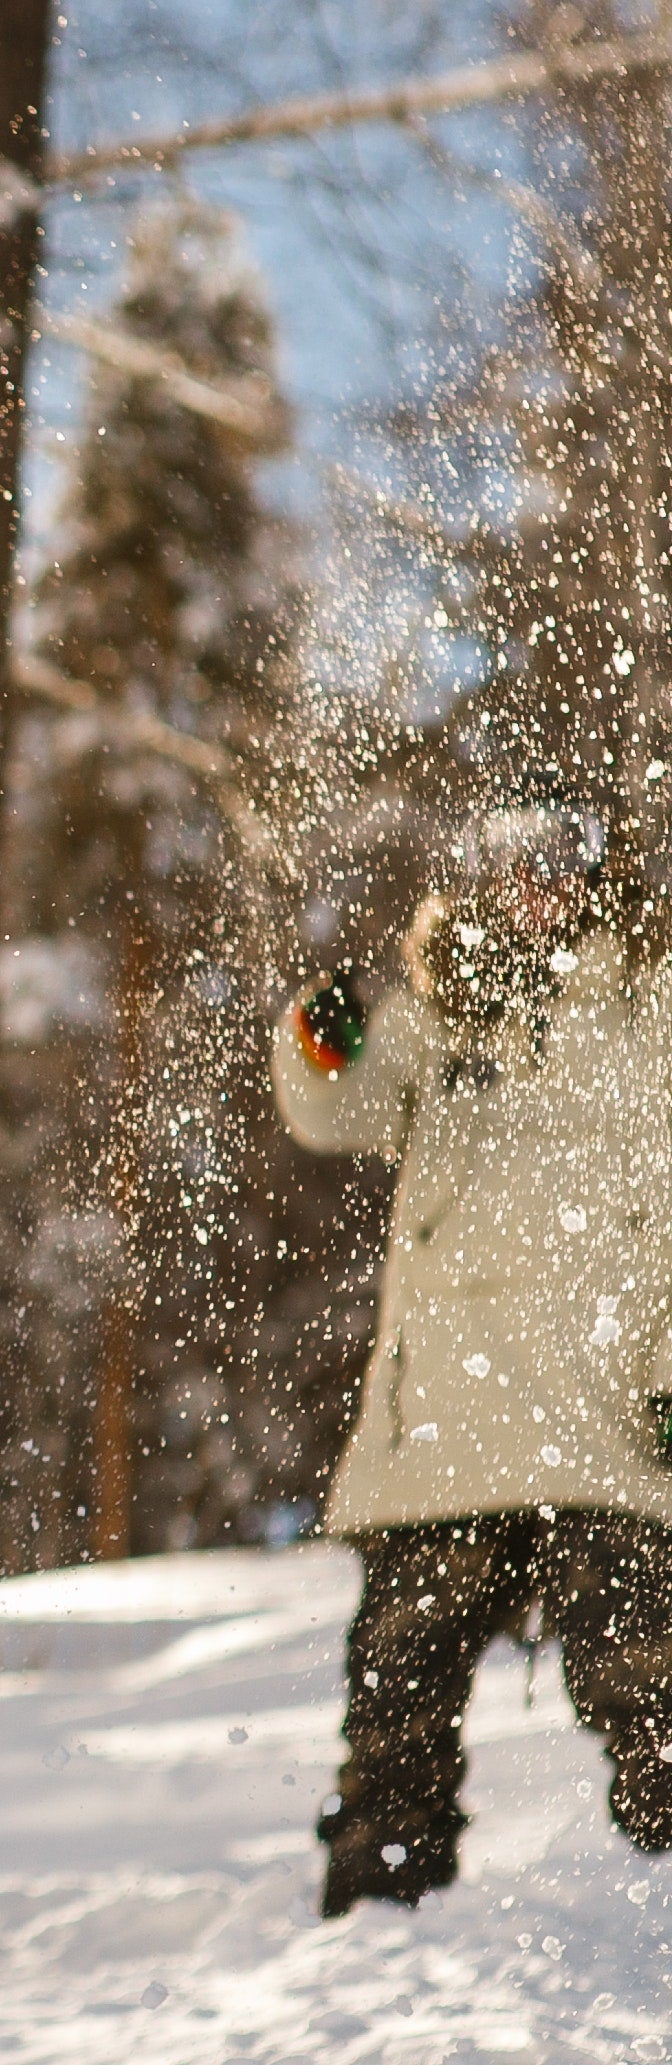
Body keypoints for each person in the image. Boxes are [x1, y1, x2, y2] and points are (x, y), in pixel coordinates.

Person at [275, 805, 672, 1918]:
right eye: (514, 854)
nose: (538, 876)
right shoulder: (440, 1010)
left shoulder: (652, 1008)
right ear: (486, 872)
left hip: (610, 1417)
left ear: (602, 871)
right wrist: (321, 1031)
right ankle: (372, 1940)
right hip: (446, 1421)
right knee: (398, 1703)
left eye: (564, 851)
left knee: (647, 1686)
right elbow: (334, 1106)